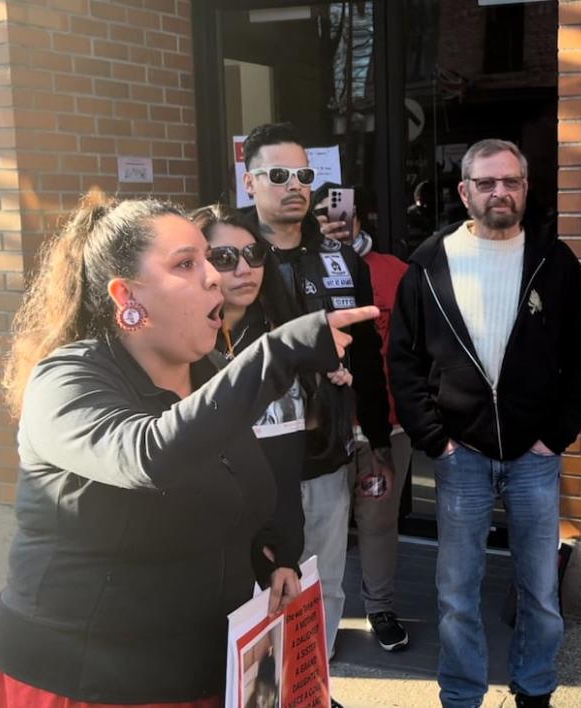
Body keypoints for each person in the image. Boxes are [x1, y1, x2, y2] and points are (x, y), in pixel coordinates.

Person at [0, 196, 376, 706]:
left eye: (207, 260)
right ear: (126, 294)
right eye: (185, 264)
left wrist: (271, 558)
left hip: (204, 670)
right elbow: (149, 455)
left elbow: (243, 490)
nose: (214, 276)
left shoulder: (210, 374)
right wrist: (279, 353)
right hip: (85, 681)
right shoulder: (66, 380)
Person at [388, 139, 581, 708]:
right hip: (462, 457)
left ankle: (534, 690)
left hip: (535, 458)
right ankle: (461, 696)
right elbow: (404, 361)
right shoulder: (429, 265)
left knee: (540, 591)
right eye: (486, 183)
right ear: (464, 192)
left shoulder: (555, 263)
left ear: (526, 189)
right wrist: (436, 439)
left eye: (510, 181)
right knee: (456, 592)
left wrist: (554, 436)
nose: (499, 192)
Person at [240, 122, 395, 659]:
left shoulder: (341, 258)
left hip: (327, 450)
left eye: (303, 175)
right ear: (250, 179)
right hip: (250, 458)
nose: (294, 186)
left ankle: (313, 683)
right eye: (278, 175)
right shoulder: (226, 253)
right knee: (259, 588)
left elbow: (368, 354)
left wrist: (375, 439)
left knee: (324, 580)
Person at [192, 204, 335, 607]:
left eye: (254, 255)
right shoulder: (179, 349)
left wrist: (283, 550)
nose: (244, 269)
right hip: (198, 554)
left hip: (269, 547)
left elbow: (283, 462)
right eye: (224, 258)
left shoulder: (278, 339)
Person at [310, 183, 415, 652]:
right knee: (320, 530)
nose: (337, 221)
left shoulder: (394, 271)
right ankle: (316, 624)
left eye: (344, 212)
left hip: (385, 423)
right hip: (319, 430)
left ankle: (380, 608)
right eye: (324, 214)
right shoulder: (298, 270)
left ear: (360, 215)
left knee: (377, 522)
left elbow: (419, 346)